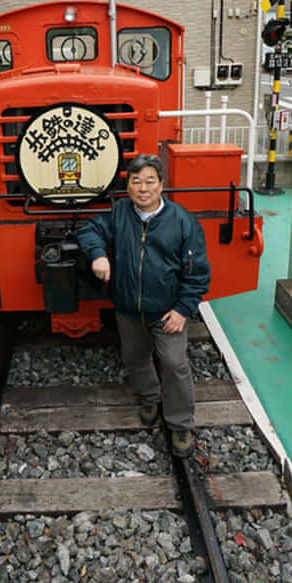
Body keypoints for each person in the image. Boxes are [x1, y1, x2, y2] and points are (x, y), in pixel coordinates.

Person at [76, 153, 210, 458]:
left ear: (162, 185)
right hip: (128, 309)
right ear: (129, 186)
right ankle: (150, 397)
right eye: (136, 182)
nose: (143, 188)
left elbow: (198, 273)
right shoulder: (121, 212)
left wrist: (183, 309)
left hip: (167, 311)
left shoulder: (182, 221)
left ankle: (180, 425)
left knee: (175, 365)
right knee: (135, 358)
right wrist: (98, 253)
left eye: (150, 181)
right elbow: (89, 230)